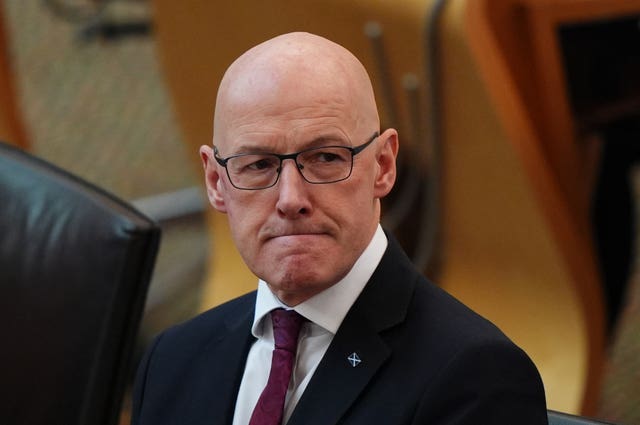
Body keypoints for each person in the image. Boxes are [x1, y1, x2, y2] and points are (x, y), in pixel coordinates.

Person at [131, 32, 548, 425]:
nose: (290, 198)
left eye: (326, 158)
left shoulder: (475, 375)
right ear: (216, 183)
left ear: (383, 166)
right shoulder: (172, 359)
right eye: (258, 165)